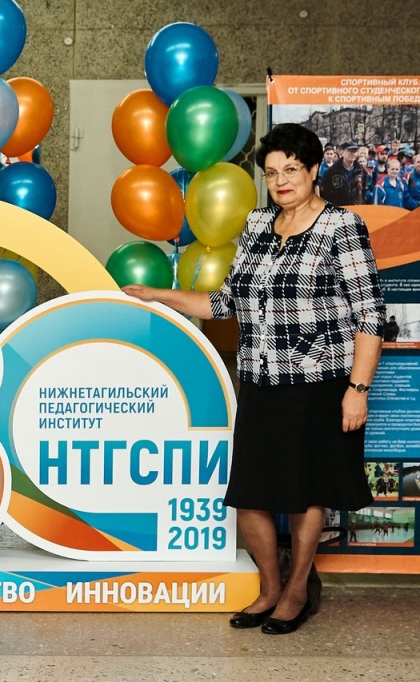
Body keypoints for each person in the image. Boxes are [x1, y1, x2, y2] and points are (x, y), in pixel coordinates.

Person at [124, 123, 385, 635]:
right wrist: (159, 295)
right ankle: (269, 588)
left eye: (292, 169)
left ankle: (296, 591)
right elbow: (226, 302)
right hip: (261, 381)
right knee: (250, 493)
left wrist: (358, 390)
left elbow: (370, 316)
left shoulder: (341, 226)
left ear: (314, 170)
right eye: (271, 172)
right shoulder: (258, 224)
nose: (281, 181)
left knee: (308, 492)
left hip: (319, 383)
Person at [319, 141, 365, 206]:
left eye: (355, 151)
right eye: (350, 151)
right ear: (342, 152)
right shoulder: (332, 171)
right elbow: (325, 193)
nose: (353, 153)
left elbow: (365, 190)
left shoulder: (361, 170)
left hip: (356, 207)